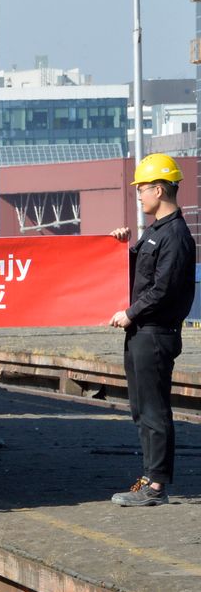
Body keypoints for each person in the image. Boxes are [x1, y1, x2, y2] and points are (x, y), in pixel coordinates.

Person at [108, 153, 195, 507]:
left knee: (154, 410)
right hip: (142, 333)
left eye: (142, 190)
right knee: (141, 408)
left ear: (159, 189)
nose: (139, 196)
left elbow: (163, 289)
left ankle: (157, 486)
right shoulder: (155, 234)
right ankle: (149, 477)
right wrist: (120, 247)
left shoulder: (175, 235)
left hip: (155, 333)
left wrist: (130, 313)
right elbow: (140, 274)